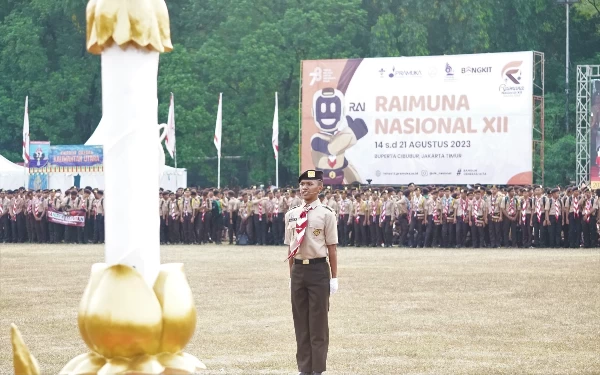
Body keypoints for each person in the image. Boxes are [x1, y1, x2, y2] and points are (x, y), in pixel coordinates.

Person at [284, 169, 338, 375]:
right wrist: (291, 276)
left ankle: (318, 369)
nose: (304, 188)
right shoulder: (292, 214)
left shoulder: (326, 214)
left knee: (318, 322)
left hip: (318, 270)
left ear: (320, 187)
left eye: (309, 184)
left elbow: (332, 248)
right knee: (300, 321)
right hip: (298, 270)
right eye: (302, 184)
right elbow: (290, 248)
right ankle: (304, 368)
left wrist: (334, 278)